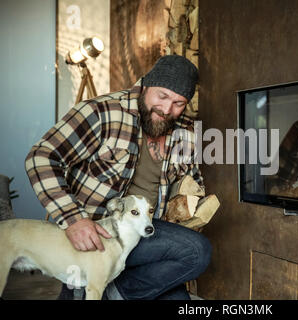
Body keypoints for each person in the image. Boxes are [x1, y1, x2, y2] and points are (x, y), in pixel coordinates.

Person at [25, 55, 211, 300]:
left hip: (146, 233)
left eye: (179, 102)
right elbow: (41, 157)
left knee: (194, 258)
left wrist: (194, 201)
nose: (167, 110)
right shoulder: (101, 112)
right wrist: (74, 220)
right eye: (162, 96)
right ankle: (103, 286)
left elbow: (193, 179)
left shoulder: (185, 130)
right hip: (98, 237)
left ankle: (116, 290)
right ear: (145, 86)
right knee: (197, 251)